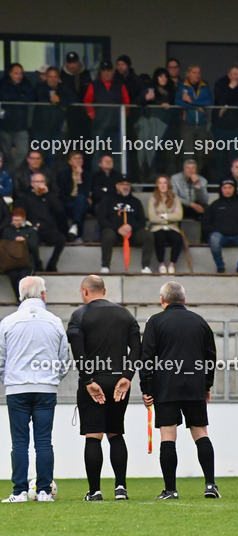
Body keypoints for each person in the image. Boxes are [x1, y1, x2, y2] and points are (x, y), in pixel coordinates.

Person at [139, 281, 219, 500]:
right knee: (200, 432)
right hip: (194, 386)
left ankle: (170, 490)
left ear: (163, 300)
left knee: (168, 435)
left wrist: (146, 389)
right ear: (184, 299)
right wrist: (206, 385)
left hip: (165, 386)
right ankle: (211, 485)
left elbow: (147, 357)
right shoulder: (199, 321)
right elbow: (210, 356)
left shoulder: (155, 322)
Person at [66, 274, 141, 501]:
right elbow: (137, 349)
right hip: (118, 382)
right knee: (116, 433)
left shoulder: (79, 315)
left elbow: (78, 353)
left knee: (93, 436)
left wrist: (88, 381)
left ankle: (95, 491)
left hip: (93, 383)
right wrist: (127, 376)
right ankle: (120, 488)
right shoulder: (125, 314)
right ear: (105, 291)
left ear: (85, 291)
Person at [0, 276, 70, 503]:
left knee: (19, 442)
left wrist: (9, 379)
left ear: (20, 294)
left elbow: (1, 360)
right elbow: (64, 359)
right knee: (43, 441)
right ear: (43, 294)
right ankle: (43, 491)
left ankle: (19, 491)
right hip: (45, 388)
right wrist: (52, 379)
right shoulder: (54, 321)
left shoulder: (8, 322)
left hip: (17, 388)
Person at [97, 175, 154, 274]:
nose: (125, 187)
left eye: (128, 184)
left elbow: (142, 221)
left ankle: (146, 266)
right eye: (122, 184)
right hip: (114, 232)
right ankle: (105, 266)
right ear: (117, 186)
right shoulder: (108, 200)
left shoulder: (136, 202)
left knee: (148, 236)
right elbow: (102, 219)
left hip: (133, 233)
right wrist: (117, 228)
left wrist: (131, 227)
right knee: (108, 235)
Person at [15, 172, 67, 272]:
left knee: (61, 239)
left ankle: (52, 264)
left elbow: (60, 210)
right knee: (32, 242)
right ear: (32, 183)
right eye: (36, 181)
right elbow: (22, 214)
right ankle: (38, 264)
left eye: (42, 181)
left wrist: (48, 194)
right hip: (33, 229)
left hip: (48, 228)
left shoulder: (50, 196)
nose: (39, 184)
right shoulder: (26, 197)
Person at [203, 178, 238, 273]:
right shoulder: (215, 205)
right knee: (214, 238)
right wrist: (216, 229)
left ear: (234, 189)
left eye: (230, 187)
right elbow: (205, 224)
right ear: (221, 189)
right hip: (220, 236)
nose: (227, 190)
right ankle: (220, 266)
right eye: (225, 188)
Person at [210, 64, 238, 182]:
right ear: (229, 75)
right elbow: (220, 98)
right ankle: (220, 182)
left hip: (236, 127)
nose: (237, 77)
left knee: (235, 156)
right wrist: (231, 88)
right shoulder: (221, 84)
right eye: (235, 74)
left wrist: (227, 105)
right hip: (221, 128)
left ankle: (234, 182)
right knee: (220, 156)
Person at [175, 65, 213, 175]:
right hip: (188, 124)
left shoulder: (204, 87)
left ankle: (197, 176)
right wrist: (196, 106)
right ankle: (187, 177)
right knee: (188, 153)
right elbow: (178, 102)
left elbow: (209, 102)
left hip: (201, 125)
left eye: (198, 72)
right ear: (188, 74)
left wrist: (191, 103)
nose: (197, 75)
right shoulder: (182, 86)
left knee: (201, 153)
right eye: (194, 72)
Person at [0, 64, 36, 171]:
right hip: (5, 126)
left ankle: (11, 172)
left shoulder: (26, 83)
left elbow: (31, 96)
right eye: (16, 73)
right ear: (10, 74)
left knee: (22, 152)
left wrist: (20, 98)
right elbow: (5, 97)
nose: (19, 76)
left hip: (21, 126)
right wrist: (20, 96)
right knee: (4, 153)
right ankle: (5, 174)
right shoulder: (3, 83)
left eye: (21, 73)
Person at [146, 175, 184, 274]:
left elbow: (179, 216)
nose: (162, 185)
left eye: (165, 183)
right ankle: (161, 264)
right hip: (157, 227)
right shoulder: (153, 199)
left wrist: (163, 216)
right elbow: (152, 218)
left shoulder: (175, 199)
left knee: (177, 238)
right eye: (160, 183)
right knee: (159, 238)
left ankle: (172, 264)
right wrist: (170, 217)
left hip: (173, 227)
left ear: (168, 185)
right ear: (157, 185)